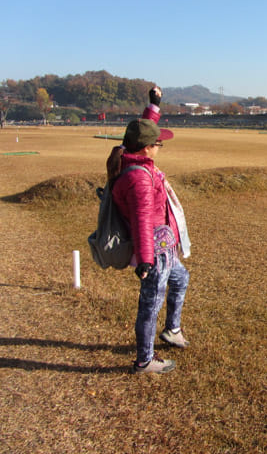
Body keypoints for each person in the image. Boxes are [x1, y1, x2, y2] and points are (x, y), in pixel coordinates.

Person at [106, 86, 192, 374]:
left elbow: (143, 130)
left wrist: (153, 106)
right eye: (158, 144)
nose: (159, 146)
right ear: (146, 148)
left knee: (180, 279)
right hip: (155, 251)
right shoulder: (139, 179)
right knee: (150, 303)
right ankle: (144, 359)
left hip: (164, 247)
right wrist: (145, 260)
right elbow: (143, 220)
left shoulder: (132, 157)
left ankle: (172, 330)